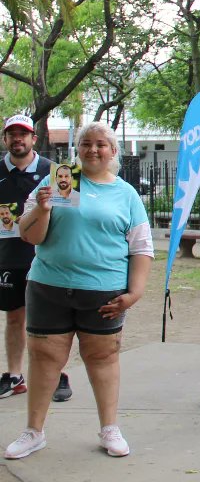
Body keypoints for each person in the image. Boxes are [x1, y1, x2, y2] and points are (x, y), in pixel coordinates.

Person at [3, 122, 152, 459]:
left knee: (103, 357)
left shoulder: (126, 194)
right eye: (86, 144)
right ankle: (33, 431)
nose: (93, 150)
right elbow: (30, 236)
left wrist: (135, 292)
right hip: (48, 286)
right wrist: (42, 208)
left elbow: (141, 247)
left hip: (104, 292)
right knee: (44, 359)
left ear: (113, 152)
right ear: (78, 149)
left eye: (101, 144)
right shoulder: (56, 182)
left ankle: (109, 429)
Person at [0, 116, 73, 404]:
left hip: (48, 255)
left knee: (53, 320)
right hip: (9, 258)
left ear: (33, 139)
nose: (18, 139)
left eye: (23, 134)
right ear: (6, 140)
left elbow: (70, 215)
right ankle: (14, 375)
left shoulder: (56, 172)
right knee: (14, 316)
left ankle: (58, 374)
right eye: (12, 134)